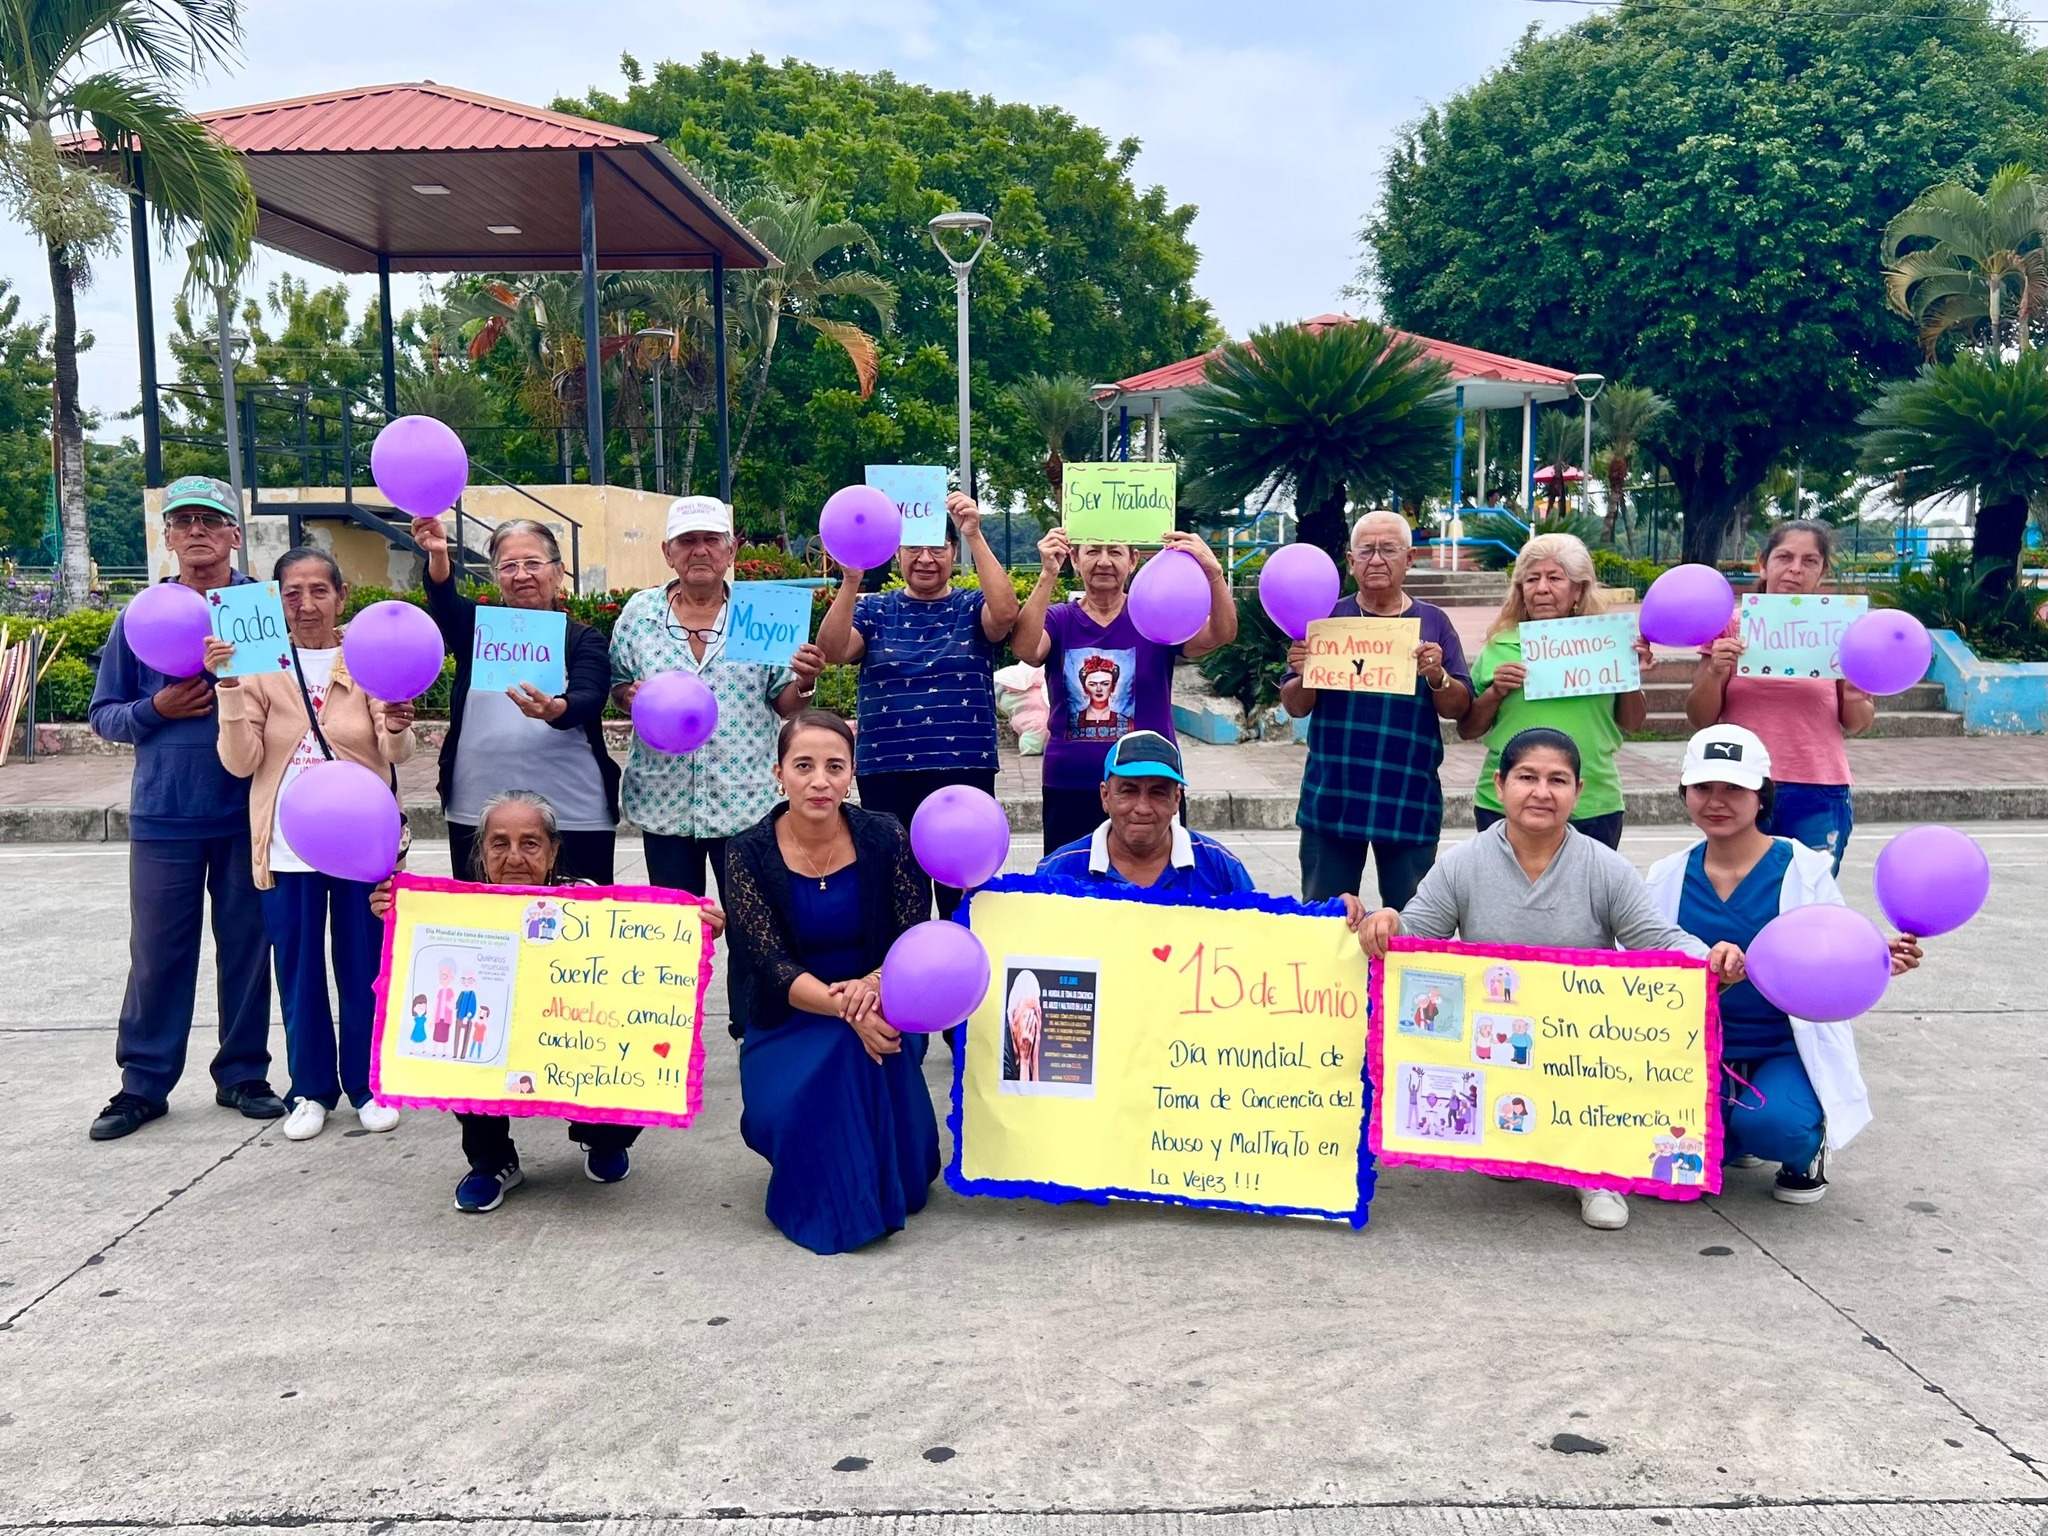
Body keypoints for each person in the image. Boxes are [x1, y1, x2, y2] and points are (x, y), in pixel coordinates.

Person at [1354, 727, 1746, 1231]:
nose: (1542, 792)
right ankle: (1503, 1143)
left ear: (1578, 791)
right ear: (1500, 785)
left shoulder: (1606, 868)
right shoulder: (1462, 864)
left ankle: (1596, 1174)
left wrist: (1711, 958)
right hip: (1494, 1037)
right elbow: (1414, 935)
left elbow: (1660, 939)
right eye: (1527, 777)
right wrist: (1386, 921)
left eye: (1557, 780)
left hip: (1579, 1041)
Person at [368, 790, 726, 1212]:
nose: (514, 856)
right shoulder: (455, 908)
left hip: (569, 1037)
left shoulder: (591, 902)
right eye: (499, 843)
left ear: (553, 851)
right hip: (493, 1036)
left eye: (530, 843)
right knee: (457, 1051)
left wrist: (689, 931)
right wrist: (398, 914)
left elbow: (638, 972)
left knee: (627, 1053)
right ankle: (492, 1161)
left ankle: (604, 1138)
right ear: (481, 852)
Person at [1644, 725, 1921, 1205]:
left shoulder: (1803, 869)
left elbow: (1834, 947)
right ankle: (1734, 1127)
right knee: (1670, 1168)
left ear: (1761, 796)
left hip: (1783, 1047)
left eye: (1734, 788)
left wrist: (1875, 960)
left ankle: (1801, 1149)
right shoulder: (1665, 876)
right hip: (1693, 1052)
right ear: (1684, 793)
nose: (1716, 801)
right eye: (1703, 787)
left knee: (1777, 1127)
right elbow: (1640, 968)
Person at [87, 475, 283, 1140]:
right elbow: (105, 715)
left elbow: (285, 703)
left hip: (246, 811)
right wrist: (156, 708)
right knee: (158, 954)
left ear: (235, 534)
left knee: (248, 950)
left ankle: (244, 1074)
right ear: (167, 537)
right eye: (183, 521)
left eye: (210, 520)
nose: (197, 531)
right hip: (164, 815)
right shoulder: (141, 616)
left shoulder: (256, 611)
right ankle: (142, 1085)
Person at [207, 547, 416, 1141]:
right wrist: (228, 688)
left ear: (341, 597)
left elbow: (395, 753)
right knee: (298, 972)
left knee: (365, 967)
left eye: (319, 590)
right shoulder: (255, 665)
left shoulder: (366, 658)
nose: (306, 604)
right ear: (276, 601)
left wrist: (396, 725)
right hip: (287, 846)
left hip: (361, 844)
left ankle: (370, 1085)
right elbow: (240, 761)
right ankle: (310, 1090)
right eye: (292, 593)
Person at [721, 712, 939, 1255]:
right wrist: (849, 1009)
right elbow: (767, 963)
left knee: (855, 1048)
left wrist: (876, 987)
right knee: (841, 1049)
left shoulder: (886, 835)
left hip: (884, 1000)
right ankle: (847, 1199)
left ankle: (864, 1192)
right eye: (804, 766)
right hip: (790, 1014)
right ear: (779, 774)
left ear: (851, 774)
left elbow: (913, 933)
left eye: (834, 767)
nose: (820, 780)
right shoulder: (746, 851)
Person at [816, 491, 1020, 916]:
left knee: (964, 898)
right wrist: (851, 581)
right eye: (913, 548)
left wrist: (975, 534)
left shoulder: (971, 605)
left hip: (963, 770)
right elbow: (834, 649)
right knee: (895, 900)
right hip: (887, 772)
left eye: (938, 548)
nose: (925, 558)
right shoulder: (875, 609)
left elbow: (1004, 617)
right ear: (896, 554)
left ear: (953, 552)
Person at [411, 514, 621, 883]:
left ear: (558, 572)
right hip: (478, 809)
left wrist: (555, 709)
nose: (521, 575)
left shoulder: (582, 639)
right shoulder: (478, 630)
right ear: (496, 576)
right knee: (483, 915)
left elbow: (590, 695)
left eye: (533, 563)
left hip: (572, 812)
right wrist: (439, 555)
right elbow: (444, 602)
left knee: (578, 916)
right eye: (509, 566)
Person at [1282, 511, 1473, 909]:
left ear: (1410, 558)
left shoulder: (1433, 622)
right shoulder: (1326, 619)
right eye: (1366, 551)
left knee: (1413, 922)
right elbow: (1295, 706)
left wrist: (1437, 676)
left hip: (1408, 796)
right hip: (1333, 794)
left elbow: (1460, 707)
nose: (1377, 560)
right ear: (1351, 562)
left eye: (1389, 549)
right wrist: (1305, 673)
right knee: (1324, 918)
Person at [1012, 527, 1238, 855]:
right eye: (1093, 551)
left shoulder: (1154, 617)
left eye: (1115, 551)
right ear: (1074, 559)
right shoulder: (1059, 620)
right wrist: (1047, 573)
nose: (1104, 561)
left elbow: (1221, 633)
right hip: (1070, 784)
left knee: (1155, 882)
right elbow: (1026, 649)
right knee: (1069, 883)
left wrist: (1213, 572)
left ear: (1133, 560)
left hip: (1150, 786)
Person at [1684, 520, 1873, 874]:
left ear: (1823, 571)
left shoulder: (1842, 631)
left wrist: (1854, 695)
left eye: (1810, 561)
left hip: (1818, 789)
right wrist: (1715, 672)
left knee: (1809, 893)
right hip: (1742, 783)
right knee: (1745, 890)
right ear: (1763, 563)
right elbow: (1700, 716)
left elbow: (1857, 723)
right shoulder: (1730, 626)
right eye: (1785, 557)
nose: (1795, 569)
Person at [1460, 533, 1651, 850]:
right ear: (1520, 591)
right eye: (1531, 579)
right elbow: (1468, 728)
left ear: (1578, 589)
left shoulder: (1607, 644)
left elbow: (1633, 723)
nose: (1541, 588)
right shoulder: (1499, 646)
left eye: (1554, 578)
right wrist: (1495, 692)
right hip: (1507, 803)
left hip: (1592, 802)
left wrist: (1630, 674)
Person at [1036, 730, 1256, 896]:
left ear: (1176, 799)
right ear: (1105, 796)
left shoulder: (1221, 869)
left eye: (1158, 792)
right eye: (1128, 791)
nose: (1143, 808)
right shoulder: (1057, 872)